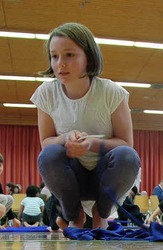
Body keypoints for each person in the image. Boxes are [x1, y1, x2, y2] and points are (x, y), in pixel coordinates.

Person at [31, 22, 141, 230]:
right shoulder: (45, 93)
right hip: (72, 175)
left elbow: (126, 143)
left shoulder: (112, 92)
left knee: (127, 156)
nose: (60, 63)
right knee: (49, 155)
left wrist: (93, 144)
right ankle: (74, 215)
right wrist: (65, 138)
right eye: (54, 56)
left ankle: (102, 213)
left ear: (88, 56)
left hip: (104, 175)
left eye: (70, 55)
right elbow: (46, 142)